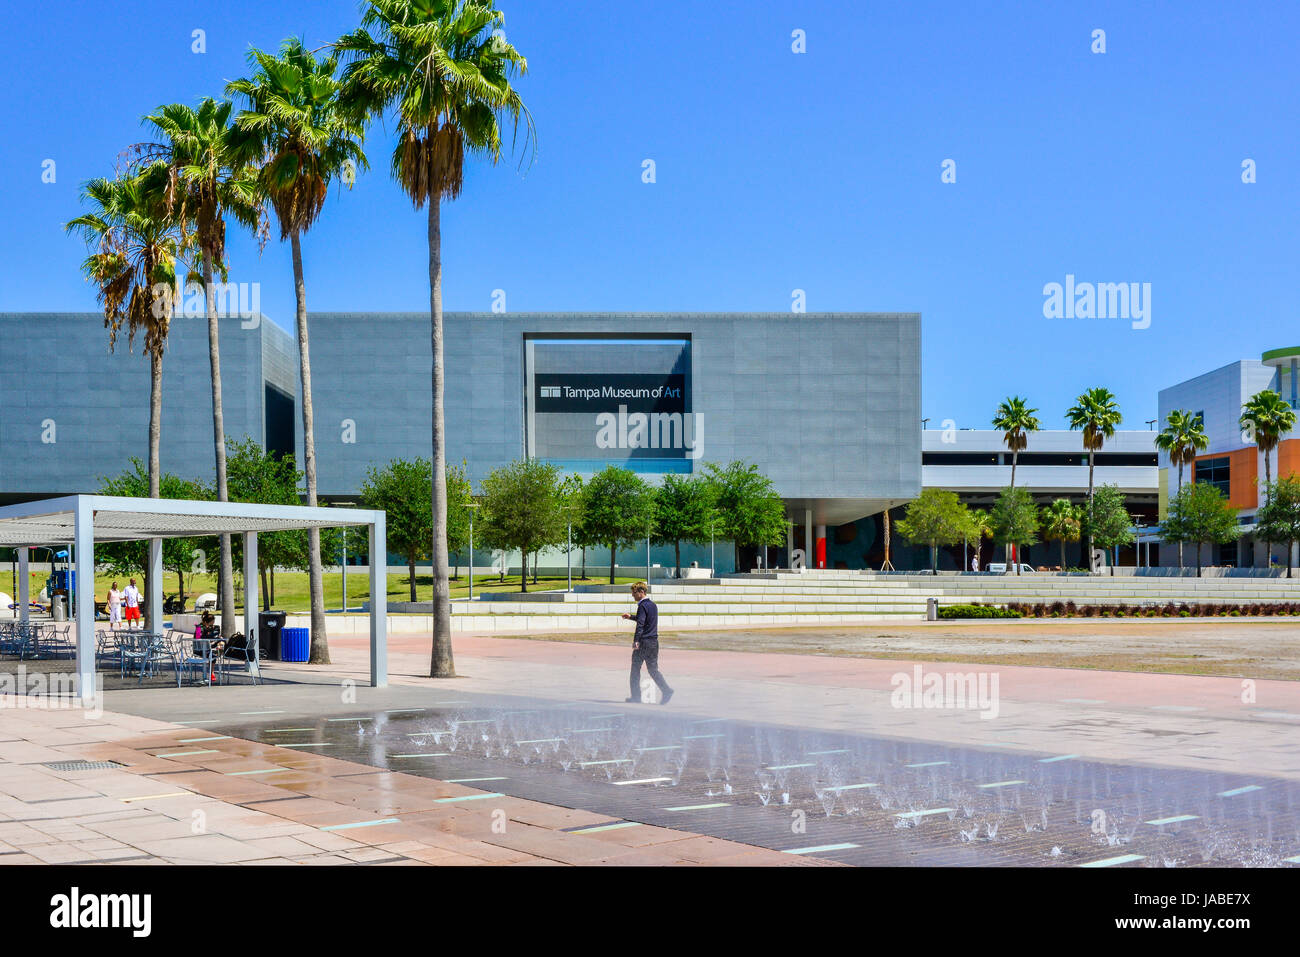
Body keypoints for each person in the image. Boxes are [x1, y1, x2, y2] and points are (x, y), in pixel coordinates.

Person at [620, 582, 672, 704]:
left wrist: (636, 641)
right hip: (654, 642)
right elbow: (644, 619)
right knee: (653, 670)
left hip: (643, 643)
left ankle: (636, 697)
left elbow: (641, 625)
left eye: (634, 593)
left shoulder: (642, 606)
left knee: (635, 670)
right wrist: (631, 616)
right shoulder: (653, 605)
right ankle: (667, 690)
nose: (633, 596)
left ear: (641, 592)